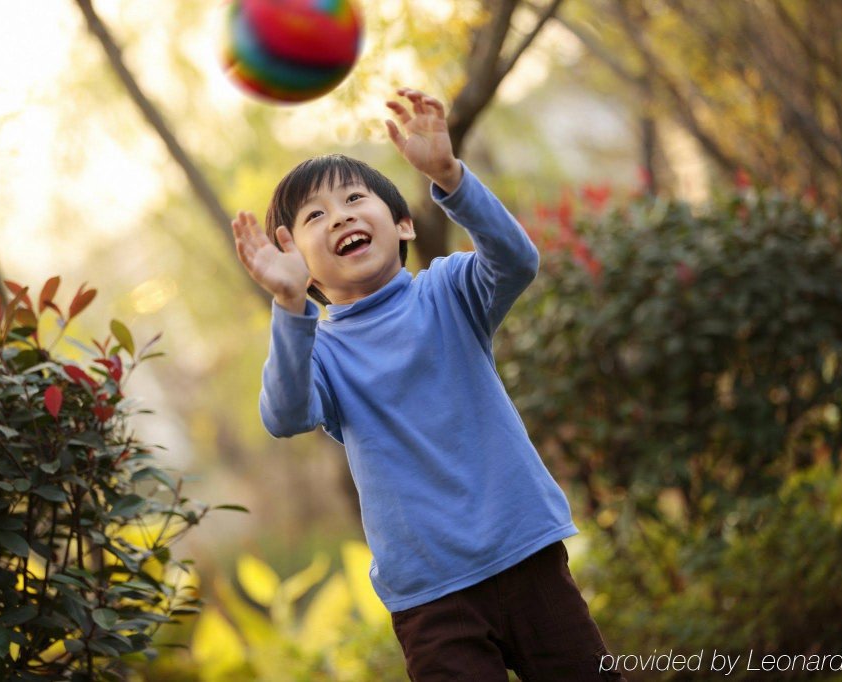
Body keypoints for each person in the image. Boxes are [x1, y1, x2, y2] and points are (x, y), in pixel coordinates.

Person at [230, 88, 624, 681]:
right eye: (314, 216)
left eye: (355, 198)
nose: (339, 216)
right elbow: (284, 416)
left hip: (525, 553)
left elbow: (516, 260)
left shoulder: (449, 291)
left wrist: (451, 177)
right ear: (300, 265)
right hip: (430, 596)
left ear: (404, 223)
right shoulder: (323, 350)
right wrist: (288, 307)